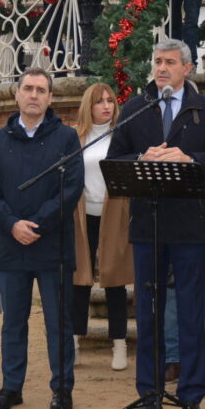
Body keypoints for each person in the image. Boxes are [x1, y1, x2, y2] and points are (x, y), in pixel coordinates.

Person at [107, 39, 205, 409]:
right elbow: (115, 159)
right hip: (147, 226)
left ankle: (192, 395)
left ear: (187, 68)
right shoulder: (136, 108)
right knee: (147, 313)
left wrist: (189, 158)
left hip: (190, 227)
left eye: (169, 62)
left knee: (191, 311)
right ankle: (148, 393)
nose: (161, 68)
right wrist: (141, 158)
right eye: (157, 61)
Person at [0, 67, 83, 409]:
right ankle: (11, 387)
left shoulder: (66, 138)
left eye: (41, 90)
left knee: (58, 323)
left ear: (51, 98)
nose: (34, 95)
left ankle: (62, 389)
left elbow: (71, 189)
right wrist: (11, 224)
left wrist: (37, 223)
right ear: (16, 95)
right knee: (13, 322)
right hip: (11, 246)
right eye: (28, 88)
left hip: (52, 245)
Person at [71, 83, 132, 371]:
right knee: (79, 279)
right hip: (82, 216)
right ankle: (74, 342)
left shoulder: (121, 135)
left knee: (114, 279)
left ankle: (119, 344)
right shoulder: (75, 137)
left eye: (110, 100)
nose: (106, 106)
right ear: (88, 106)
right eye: (99, 101)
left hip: (114, 213)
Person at [164, 179, 205, 385]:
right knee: (172, 301)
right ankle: (174, 359)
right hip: (171, 235)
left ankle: (204, 362)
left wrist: (182, 202)